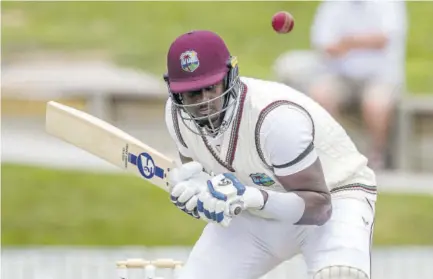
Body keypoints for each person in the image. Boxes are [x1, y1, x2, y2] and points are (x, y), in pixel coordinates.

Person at [163, 30, 377, 279]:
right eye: (192, 93)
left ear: (230, 77)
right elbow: (211, 187)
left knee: (340, 274)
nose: (204, 102)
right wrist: (200, 197)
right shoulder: (177, 117)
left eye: (211, 88)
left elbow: (319, 208)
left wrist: (252, 197)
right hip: (254, 210)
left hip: (334, 196)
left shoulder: (275, 119)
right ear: (176, 93)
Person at [308, 0, 408, 169]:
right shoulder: (332, 5)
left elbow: (383, 39)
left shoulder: (389, 4)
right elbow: (323, 43)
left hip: (381, 77)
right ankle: (330, 153)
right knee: (320, 94)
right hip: (341, 76)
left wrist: (348, 42)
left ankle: (377, 156)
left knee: (376, 104)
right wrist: (348, 45)